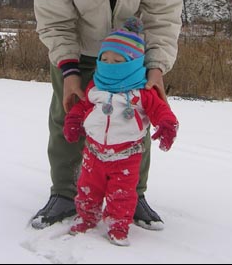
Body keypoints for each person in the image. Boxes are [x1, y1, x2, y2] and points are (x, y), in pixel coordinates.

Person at [32, 0, 183, 230]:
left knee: (136, 116)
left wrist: (156, 69)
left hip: (130, 55)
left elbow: (164, 16)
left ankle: (134, 193)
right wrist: (70, 72)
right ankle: (66, 193)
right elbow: (55, 21)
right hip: (80, 50)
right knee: (67, 115)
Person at [63, 17, 179, 246]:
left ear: (132, 64)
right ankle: (87, 217)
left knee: (122, 194)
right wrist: (74, 119)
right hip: (93, 153)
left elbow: (159, 109)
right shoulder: (95, 87)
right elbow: (84, 105)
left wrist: (167, 124)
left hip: (127, 157)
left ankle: (118, 225)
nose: (108, 63)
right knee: (87, 188)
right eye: (104, 59)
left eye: (117, 61)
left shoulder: (141, 93)